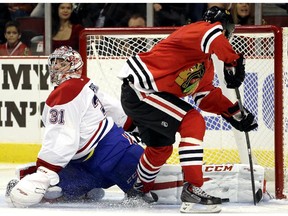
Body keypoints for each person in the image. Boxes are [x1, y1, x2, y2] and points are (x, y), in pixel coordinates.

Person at [118, 6, 258, 213]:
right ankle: (193, 187)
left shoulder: (205, 62)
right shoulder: (198, 30)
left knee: (160, 147)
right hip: (141, 90)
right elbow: (213, 35)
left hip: (150, 97)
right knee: (192, 120)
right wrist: (232, 61)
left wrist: (234, 112)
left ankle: (139, 190)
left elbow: (205, 96)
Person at [8, 46, 144, 207]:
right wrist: (134, 126)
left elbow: (62, 136)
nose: (56, 67)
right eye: (54, 63)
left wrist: (44, 173)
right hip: (93, 162)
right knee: (153, 189)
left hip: (114, 153)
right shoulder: (85, 84)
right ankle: (90, 186)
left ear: (74, 65)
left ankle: (75, 184)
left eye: (62, 63)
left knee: (44, 189)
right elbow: (111, 106)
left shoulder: (68, 90)